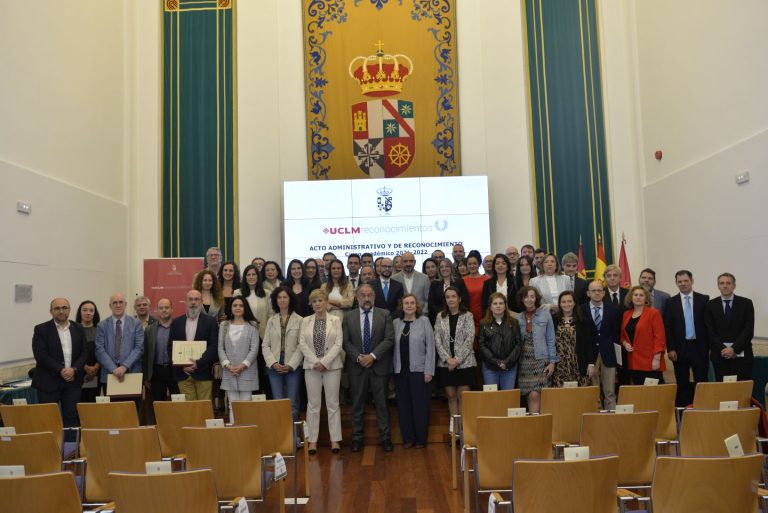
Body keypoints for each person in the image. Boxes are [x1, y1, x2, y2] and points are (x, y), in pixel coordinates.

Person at [343, 284, 395, 452]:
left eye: (369, 295)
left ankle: (385, 438)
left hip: (379, 366)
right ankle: (357, 438)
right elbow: (346, 342)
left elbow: (389, 339)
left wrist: (372, 356)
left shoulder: (385, 314)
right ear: (357, 297)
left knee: (382, 404)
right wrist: (359, 357)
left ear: (374, 297)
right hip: (356, 367)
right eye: (363, 295)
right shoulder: (349, 316)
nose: (366, 298)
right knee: (357, 405)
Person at [299, 289, 343, 454]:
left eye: (320, 300)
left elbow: (338, 344)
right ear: (311, 304)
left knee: (332, 404)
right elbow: (302, 343)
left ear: (326, 302)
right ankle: (312, 441)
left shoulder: (335, 320)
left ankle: (335, 440)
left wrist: (324, 362)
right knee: (313, 405)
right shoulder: (305, 321)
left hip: (332, 367)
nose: (318, 303)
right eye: (314, 301)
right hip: (311, 368)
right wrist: (315, 362)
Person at [32, 298, 86, 428]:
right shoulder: (41, 329)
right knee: (48, 420)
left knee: (72, 418)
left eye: (64, 308)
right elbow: (41, 355)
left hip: (72, 382)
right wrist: (61, 370)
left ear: (69, 310)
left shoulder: (78, 328)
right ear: (51, 311)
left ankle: (70, 448)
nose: (61, 311)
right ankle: (51, 448)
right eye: (57, 308)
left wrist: (74, 369)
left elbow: (84, 352)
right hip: (48, 383)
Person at [392, 295, 435, 448]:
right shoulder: (395, 323)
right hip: (400, 371)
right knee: (404, 406)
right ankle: (408, 439)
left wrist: (429, 370)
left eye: (412, 303)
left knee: (420, 406)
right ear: (401, 306)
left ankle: (421, 439)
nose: (409, 306)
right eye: (406, 303)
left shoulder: (424, 321)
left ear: (416, 306)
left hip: (420, 371)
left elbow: (430, 347)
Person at [663, 270, 710, 406]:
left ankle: (703, 408)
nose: (683, 284)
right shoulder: (670, 302)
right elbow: (668, 327)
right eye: (680, 282)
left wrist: (709, 348)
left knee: (701, 381)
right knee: (682, 382)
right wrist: (670, 349)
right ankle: (684, 412)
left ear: (692, 281)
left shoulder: (704, 299)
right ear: (676, 283)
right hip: (679, 350)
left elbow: (709, 326)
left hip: (700, 348)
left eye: (685, 281)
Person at [434, 287, 477, 420]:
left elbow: (470, 338)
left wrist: (457, 360)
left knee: (463, 398)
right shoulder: (440, 316)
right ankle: (455, 434)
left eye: (453, 296)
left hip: (465, 364)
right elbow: (437, 339)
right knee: (451, 398)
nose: (451, 299)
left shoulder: (467, 315)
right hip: (446, 365)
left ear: (459, 299)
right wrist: (448, 359)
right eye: (448, 297)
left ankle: (465, 434)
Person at [262, 286, 304, 421]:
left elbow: (301, 345)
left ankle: (294, 438)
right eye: (279, 297)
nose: (282, 300)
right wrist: (273, 363)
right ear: (275, 300)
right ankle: (280, 439)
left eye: (285, 297)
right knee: (277, 402)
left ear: (290, 299)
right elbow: (265, 345)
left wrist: (291, 364)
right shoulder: (271, 320)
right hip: (274, 367)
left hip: (293, 366)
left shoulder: (300, 320)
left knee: (292, 403)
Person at [169, 290, 219, 400]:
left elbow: (213, 346)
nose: (193, 302)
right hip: (183, 373)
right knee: (188, 410)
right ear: (185, 302)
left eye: (196, 299)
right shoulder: (176, 323)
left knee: (204, 409)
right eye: (190, 299)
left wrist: (198, 363)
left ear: (201, 302)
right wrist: (182, 365)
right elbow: (171, 347)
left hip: (203, 373)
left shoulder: (210, 322)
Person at [705, 273, 755, 381]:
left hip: (742, 356)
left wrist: (734, 349)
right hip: (720, 355)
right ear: (718, 286)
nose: (725, 286)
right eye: (721, 283)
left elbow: (748, 330)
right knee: (723, 391)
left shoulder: (746, 303)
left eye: (728, 283)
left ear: (734, 286)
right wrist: (723, 349)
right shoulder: (710, 305)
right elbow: (710, 331)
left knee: (742, 390)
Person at [218, 296, 260, 420]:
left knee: (246, 405)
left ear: (245, 308)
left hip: (247, 371)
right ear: (230, 308)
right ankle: (234, 435)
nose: (237, 308)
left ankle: (246, 435)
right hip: (229, 371)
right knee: (232, 405)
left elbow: (254, 349)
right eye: (235, 305)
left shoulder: (252, 325)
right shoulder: (224, 325)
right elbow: (220, 348)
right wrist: (227, 365)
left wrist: (242, 366)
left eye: (241, 305)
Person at [517, 286, 557, 413]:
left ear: (536, 298)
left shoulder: (546, 315)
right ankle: (534, 422)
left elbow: (551, 340)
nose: (529, 299)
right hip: (523, 361)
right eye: (526, 297)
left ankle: (535, 422)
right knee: (529, 394)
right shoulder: (518, 318)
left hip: (541, 360)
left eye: (532, 296)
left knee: (535, 394)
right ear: (522, 299)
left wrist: (552, 362)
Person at [581, 280, 620, 410]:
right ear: (588, 293)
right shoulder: (581, 309)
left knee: (610, 392)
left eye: (599, 290)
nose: (597, 293)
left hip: (608, 354)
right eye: (593, 290)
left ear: (604, 293)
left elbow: (616, 333)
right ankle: (596, 419)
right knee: (593, 392)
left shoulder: (613, 310)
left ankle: (612, 420)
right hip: (589, 355)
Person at [95, 293, 144, 394]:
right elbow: (99, 350)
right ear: (110, 306)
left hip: (132, 372)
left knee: (132, 407)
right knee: (112, 409)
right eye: (115, 303)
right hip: (109, 374)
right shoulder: (102, 325)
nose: (118, 305)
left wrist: (124, 366)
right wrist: (114, 369)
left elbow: (139, 348)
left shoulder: (136, 324)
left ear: (125, 304)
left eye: (121, 302)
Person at [620, 286, 667, 384]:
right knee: (640, 393)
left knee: (654, 393)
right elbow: (622, 335)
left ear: (646, 298)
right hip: (633, 362)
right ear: (631, 298)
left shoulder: (653, 313)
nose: (638, 297)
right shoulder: (626, 314)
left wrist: (657, 359)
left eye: (641, 295)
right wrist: (625, 343)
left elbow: (660, 337)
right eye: (635, 295)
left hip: (650, 361)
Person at [478, 293, 522, 390]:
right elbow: (481, 345)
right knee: (491, 398)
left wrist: (506, 362)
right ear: (490, 307)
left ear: (505, 306)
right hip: (490, 367)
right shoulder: (483, 323)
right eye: (495, 303)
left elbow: (518, 345)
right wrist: (497, 362)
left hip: (509, 367)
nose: (498, 306)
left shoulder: (514, 323)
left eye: (501, 303)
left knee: (508, 398)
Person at [142, 298, 176, 423]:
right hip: (156, 371)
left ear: (172, 309)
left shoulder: (178, 326)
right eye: (161, 308)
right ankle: (160, 429)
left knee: (177, 402)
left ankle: (176, 427)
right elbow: (145, 354)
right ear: (157, 310)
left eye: (166, 307)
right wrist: (146, 377)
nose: (164, 310)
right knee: (158, 404)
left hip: (174, 370)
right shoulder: (150, 329)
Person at [551, 291, 594, 387]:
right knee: (561, 396)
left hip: (579, 363)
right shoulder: (553, 320)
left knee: (579, 397)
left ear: (574, 303)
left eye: (569, 301)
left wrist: (591, 364)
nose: (567, 304)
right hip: (559, 365)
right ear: (560, 304)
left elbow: (589, 344)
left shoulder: (583, 320)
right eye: (564, 302)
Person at [427, 258, 469, 326]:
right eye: (442, 267)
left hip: (458, 319)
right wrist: (445, 313)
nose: (444, 269)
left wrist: (454, 312)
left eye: (447, 266)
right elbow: (431, 304)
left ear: (451, 268)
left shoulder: (460, 282)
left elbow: (465, 300)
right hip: (439, 320)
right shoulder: (434, 283)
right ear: (439, 269)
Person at [75, 300, 101, 402]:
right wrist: (84, 367)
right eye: (84, 310)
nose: (88, 313)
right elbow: (72, 352)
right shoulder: (73, 330)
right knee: (78, 403)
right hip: (78, 372)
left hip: (97, 372)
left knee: (93, 403)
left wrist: (96, 367)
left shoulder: (100, 330)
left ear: (95, 313)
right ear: (80, 312)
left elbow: (104, 351)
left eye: (91, 310)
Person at [236, 264, 270, 339]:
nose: (251, 277)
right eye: (248, 275)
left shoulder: (267, 293)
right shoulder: (237, 293)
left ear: (258, 276)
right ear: (245, 277)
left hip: (262, 333)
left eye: (254, 274)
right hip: (242, 332)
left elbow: (270, 315)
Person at [463, 254, 486, 338]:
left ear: (479, 264)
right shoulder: (462, 281)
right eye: (469, 264)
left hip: (484, 316)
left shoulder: (487, 279)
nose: (472, 266)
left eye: (474, 263)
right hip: (467, 316)